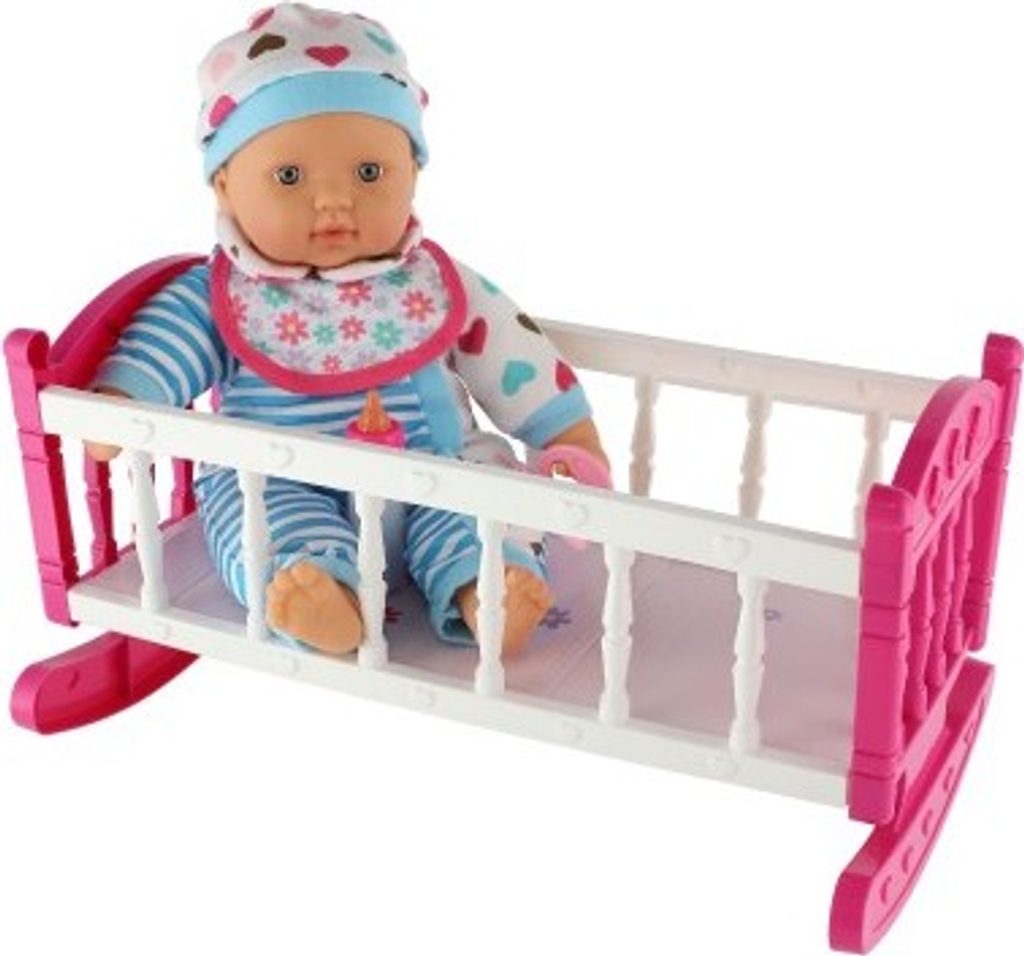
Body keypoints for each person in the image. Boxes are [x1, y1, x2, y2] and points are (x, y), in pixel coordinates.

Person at [86, 3, 608, 658]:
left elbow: (508, 348)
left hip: (433, 469)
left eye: (369, 173)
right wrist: (125, 400)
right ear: (223, 185)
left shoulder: (434, 280)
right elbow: (168, 345)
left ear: (413, 171)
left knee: (487, 503)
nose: (334, 199)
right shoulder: (220, 295)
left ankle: (487, 589)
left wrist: (563, 429)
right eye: (288, 176)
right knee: (253, 517)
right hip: (280, 476)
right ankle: (318, 595)